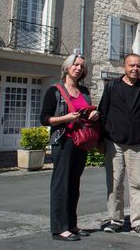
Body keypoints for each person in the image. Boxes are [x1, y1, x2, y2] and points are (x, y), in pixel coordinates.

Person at [99, 53, 140, 236]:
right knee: (114, 183)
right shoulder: (112, 86)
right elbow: (102, 113)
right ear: (124, 66)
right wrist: (101, 140)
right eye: (132, 65)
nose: (135, 69)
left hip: (138, 144)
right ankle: (115, 220)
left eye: (139, 65)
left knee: (137, 184)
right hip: (114, 142)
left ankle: (137, 221)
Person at [40, 54, 100, 241]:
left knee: (74, 184)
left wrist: (93, 115)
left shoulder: (84, 91)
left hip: (80, 142)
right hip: (63, 141)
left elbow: (86, 113)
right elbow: (44, 119)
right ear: (67, 67)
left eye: (82, 66)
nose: (78, 68)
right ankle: (59, 228)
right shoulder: (55, 91)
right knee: (61, 184)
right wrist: (66, 118)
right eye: (75, 65)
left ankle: (72, 224)